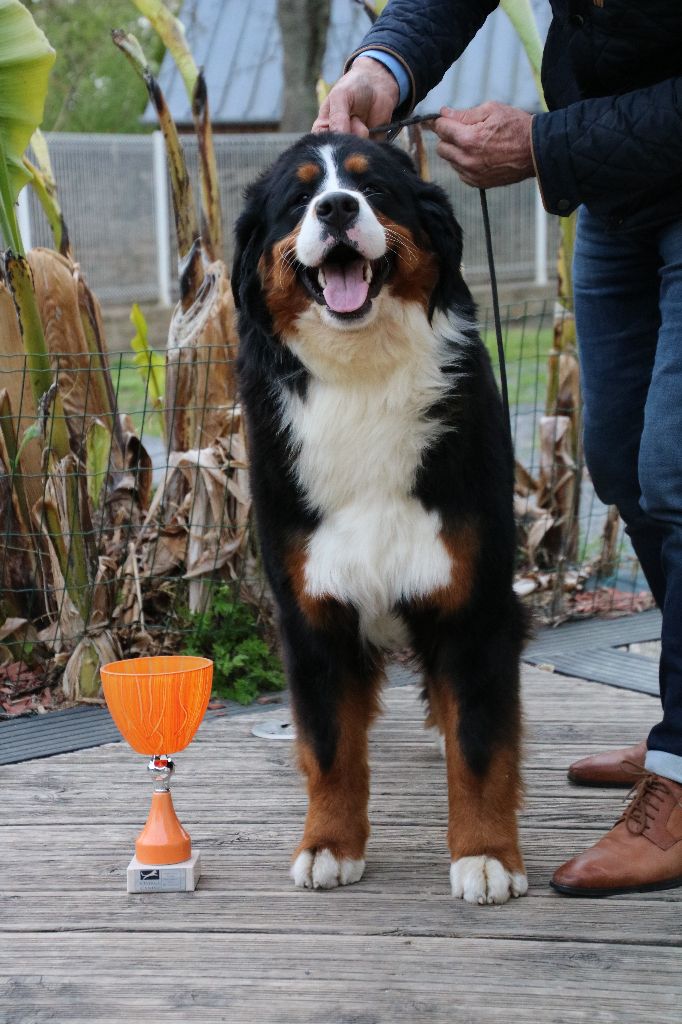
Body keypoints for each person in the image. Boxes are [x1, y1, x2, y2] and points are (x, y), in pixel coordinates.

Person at [313, 0, 682, 897]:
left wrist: (547, 148)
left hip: (612, 154)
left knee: (678, 475)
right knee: (626, 466)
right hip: (621, 189)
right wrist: (383, 67)